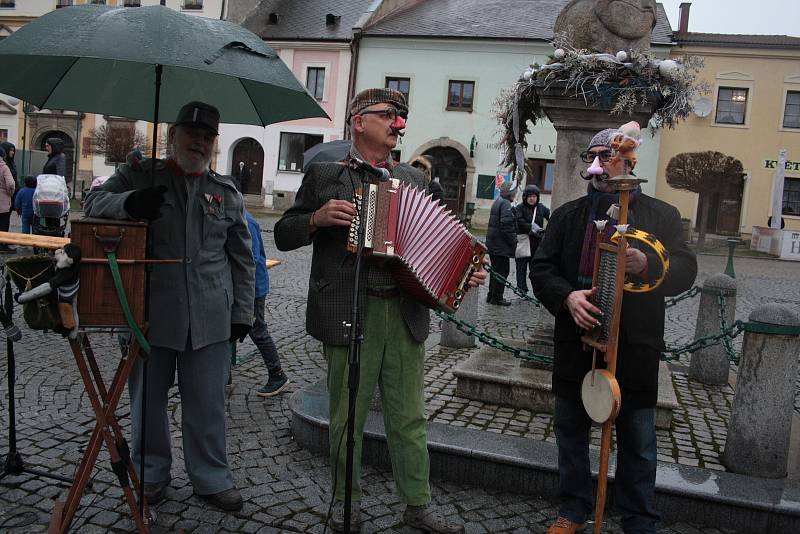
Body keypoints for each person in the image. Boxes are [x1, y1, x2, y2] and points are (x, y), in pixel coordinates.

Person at [274, 88, 486, 534]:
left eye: (402, 116)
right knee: (346, 417)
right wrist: (314, 220)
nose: (398, 123)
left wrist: (464, 272)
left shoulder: (413, 178)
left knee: (409, 417)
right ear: (358, 120)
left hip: (404, 315)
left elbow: (441, 240)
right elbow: (284, 234)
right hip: (350, 309)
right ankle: (345, 502)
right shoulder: (326, 175)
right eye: (389, 115)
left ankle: (417, 505)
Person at [84, 101, 255, 512]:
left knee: (208, 404)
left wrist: (243, 313)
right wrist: (130, 204)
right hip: (148, 312)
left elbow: (242, 258)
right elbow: (91, 206)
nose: (198, 141)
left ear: (213, 143)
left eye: (207, 136)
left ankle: (211, 479)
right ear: (173, 134)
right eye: (190, 132)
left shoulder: (225, 192)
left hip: (210, 316)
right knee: (147, 403)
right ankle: (151, 474)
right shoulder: (140, 176)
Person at [531, 127, 697, 534]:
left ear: (629, 158)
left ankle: (639, 519)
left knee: (639, 442)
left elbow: (686, 269)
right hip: (577, 346)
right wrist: (568, 298)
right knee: (570, 433)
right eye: (597, 156)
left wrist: (650, 266)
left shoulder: (662, 216)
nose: (603, 165)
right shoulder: (568, 215)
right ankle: (573, 508)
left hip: (635, 347)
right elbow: (542, 269)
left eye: (611, 155)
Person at [237, 179, 290, 397]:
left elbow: (250, 261)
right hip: (248, 286)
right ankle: (223, 376)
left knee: (257, 330)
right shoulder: (241, 219)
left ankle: (277, 375)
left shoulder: (245, 222)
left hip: (253, 288)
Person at [485, 180, 517, 306]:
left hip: (494, 244)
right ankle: (497, 297)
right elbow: (506, 225)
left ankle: (491, 295)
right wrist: (513, 240)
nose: (515, 194)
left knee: (495, 271)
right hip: (500, 245)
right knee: (502, 272)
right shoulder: (505, 204)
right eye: (514, 192)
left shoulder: (498, 201)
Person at [514, 184, 550, 293]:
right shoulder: (519, 208)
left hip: (536, 244)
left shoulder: (541, 208)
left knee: (535, 269)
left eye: (534, 196)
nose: (532, 198)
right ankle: (522, 289)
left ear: (537, 197)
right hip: (523, 242)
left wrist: (547, 231)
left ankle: (537, 290)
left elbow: (552, 218)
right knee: (521, 267)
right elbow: (519, 221)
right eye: (529, 196)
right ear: (525, 197)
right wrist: (532, 228)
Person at [0, 146, 16, 251]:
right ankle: (2, 246)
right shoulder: (4, 167)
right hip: (3, 201)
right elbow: (10, 184)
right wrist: (10, 194)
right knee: (3, 223)